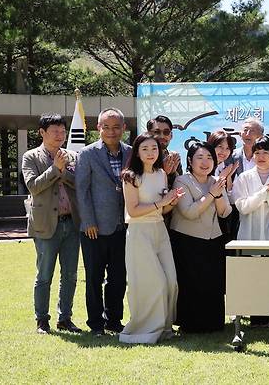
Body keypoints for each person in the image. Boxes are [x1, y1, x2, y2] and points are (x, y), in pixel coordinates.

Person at [119, 133, 183, 344]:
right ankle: (146, 328)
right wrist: (161, 202)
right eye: (145, 149)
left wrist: (172, 201)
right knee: (153, 283)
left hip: (159, 230)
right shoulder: (130, 176)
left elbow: (163, 209)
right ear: (137, 151)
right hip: (139, 232)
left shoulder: (162, 174)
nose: (150, 153)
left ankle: (165, 327)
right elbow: (134, 211)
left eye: (154, 149)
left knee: (171, 281)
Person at [22, 114, 82, 334]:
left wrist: (62, 170)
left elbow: (80, 183)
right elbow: (33, 186)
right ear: (42, 133)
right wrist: (55, 168)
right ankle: (42, 320)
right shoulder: (31, 157)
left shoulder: (73, 156)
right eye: (55, 131)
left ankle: (65, 318)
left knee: (70, 275)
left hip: (72, 223)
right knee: (44, 275)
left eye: (62, 131)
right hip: (46, 224)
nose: (60, 135)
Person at [75, 108, 131, 337]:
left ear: (124, 129)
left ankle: (114, 320)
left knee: (118, 278)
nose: (111, 131)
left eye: (116, 126)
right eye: (106, 127)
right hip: (94, 227)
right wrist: (88, 221)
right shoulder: (87, 154)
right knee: (94, 278)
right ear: (98, 128)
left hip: (123, 226)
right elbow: (82, 190)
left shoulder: (130, 152)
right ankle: (96, 323)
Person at [170, 142, 235, 333]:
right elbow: (189, 212)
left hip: (213, 239)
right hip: (187, 239)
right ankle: (189, 324)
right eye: (200, 157)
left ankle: (213, 323)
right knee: (190, 283)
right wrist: (211, 194)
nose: (205, 162)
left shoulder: (215, 180)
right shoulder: (182, 181)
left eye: (209, 158)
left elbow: (225, 212)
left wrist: (218, 195)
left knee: (212, 283)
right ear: (190, 160)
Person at [232, 135, 269, 327]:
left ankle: (263, 315)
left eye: (265, 152)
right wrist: (263, 193)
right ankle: (243, 311)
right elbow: (242, 207)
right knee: (247, 273)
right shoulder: (243, 177)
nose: (261, 156)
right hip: (247, 232)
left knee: (266, 275)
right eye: (257, 152)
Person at [147, 115, 182, 188]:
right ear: (148, 134)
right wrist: (163, 173)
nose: (162, 136)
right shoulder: (142, 157)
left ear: (171, 135)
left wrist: (173, 173)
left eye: (166, 132)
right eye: (157, 132)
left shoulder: (173, 158)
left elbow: (180, 188)